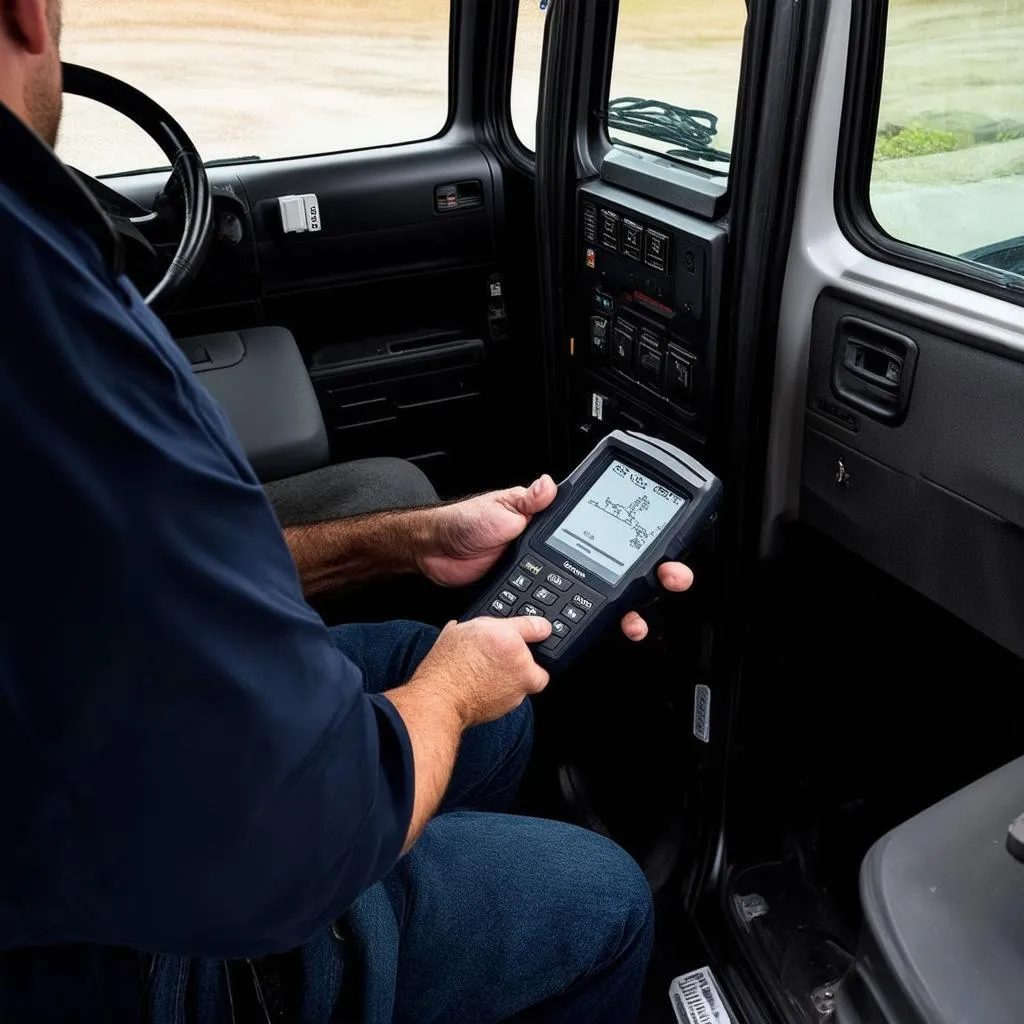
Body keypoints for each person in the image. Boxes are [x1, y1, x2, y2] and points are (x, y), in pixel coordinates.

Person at [0, 0, 695, 1020]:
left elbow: (127, 582)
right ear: (30, 12)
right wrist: (451, 696)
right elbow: (286, 843)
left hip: (70, 767)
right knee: (599, 898)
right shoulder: (35, 299)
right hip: (105, 956)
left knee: (456, 684)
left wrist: (411, 538)